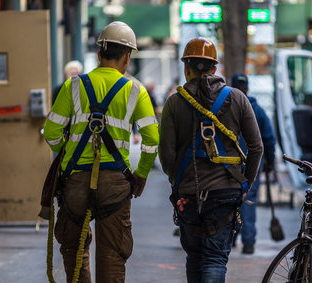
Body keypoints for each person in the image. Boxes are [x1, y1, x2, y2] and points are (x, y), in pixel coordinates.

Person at [43, 21, 159, 283]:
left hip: (74, 181)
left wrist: (68, 155)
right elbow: (152, 141)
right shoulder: (135, 91)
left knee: (75, 251)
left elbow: (50, 132)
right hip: (115, 184)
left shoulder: (73, 86)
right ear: (128, 56)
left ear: (99, 53)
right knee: (113, 255)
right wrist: (140, 176)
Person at [159, 37, 263, 283]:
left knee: (195, 257)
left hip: (189, 193)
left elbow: (166, 152)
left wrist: (177, 180)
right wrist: (245, 184)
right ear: (215, 68)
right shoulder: (237, 98)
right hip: (226, 191)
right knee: (215, 258)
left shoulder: (175, 103)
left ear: (186, 67)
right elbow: (257, 147)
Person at [231, 73, 276, 254]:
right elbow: (269, 139)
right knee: (248, 201)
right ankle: (248, 243)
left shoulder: (227, 108)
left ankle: (232, 237)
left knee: (230, 199)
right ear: (248, 88)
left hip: (230, 165)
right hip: (252, 164)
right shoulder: (258, 110)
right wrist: (270, 162)